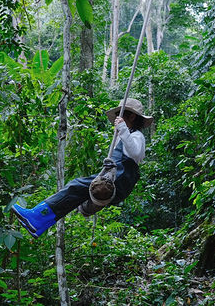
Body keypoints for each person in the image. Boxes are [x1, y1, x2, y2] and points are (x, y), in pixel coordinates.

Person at [11, 98, 152, 236]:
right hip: (117, 178)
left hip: (120, 179)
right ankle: (39, 224)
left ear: (132, 116)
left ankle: (37, 216)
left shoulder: (137, 136)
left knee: (76, 185)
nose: (116, 119)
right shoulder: (124, 136)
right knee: (75, 193)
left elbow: (135, 153)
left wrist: (122, 129)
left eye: (119, 116)